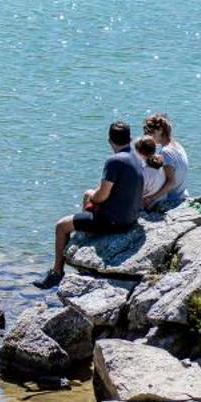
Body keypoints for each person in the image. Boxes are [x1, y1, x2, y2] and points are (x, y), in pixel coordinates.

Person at [35, 121, 143, 289]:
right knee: (88, 195)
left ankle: (57, 272)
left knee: (61, 226)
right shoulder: (136, 157)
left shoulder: (114, 161)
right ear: (130, 138)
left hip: (114, 222)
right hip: (131, 218)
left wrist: (92, 196)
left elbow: (102, 196)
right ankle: (84, 235)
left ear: (109, 141)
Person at [142, 112, 189, 211]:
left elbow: (171, 182)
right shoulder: (177, 145)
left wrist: (152, 198)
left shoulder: (165, 152)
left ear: (160, 130)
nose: (148, 136)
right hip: (182, 194)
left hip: (172, 199)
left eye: (150, 133)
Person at [134, 135, 167, 207]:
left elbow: (136, 195)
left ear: (139, 153)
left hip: (149, 206)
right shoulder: (161, 165)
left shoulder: (143, 172)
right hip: (161, 201)